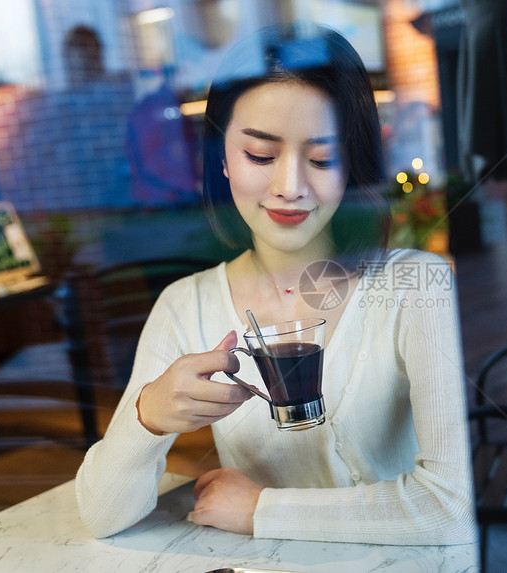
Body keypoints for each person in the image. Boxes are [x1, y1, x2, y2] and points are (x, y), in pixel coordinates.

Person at [75, 24, 476, 546]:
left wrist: (262, 510)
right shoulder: (185, 305)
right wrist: (146, 417)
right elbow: (102, 517)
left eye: (322, 159)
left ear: (352, 161)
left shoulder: (414, 285)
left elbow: (454, 507)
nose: (290, 187)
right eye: (260, 156)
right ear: (222, 159)